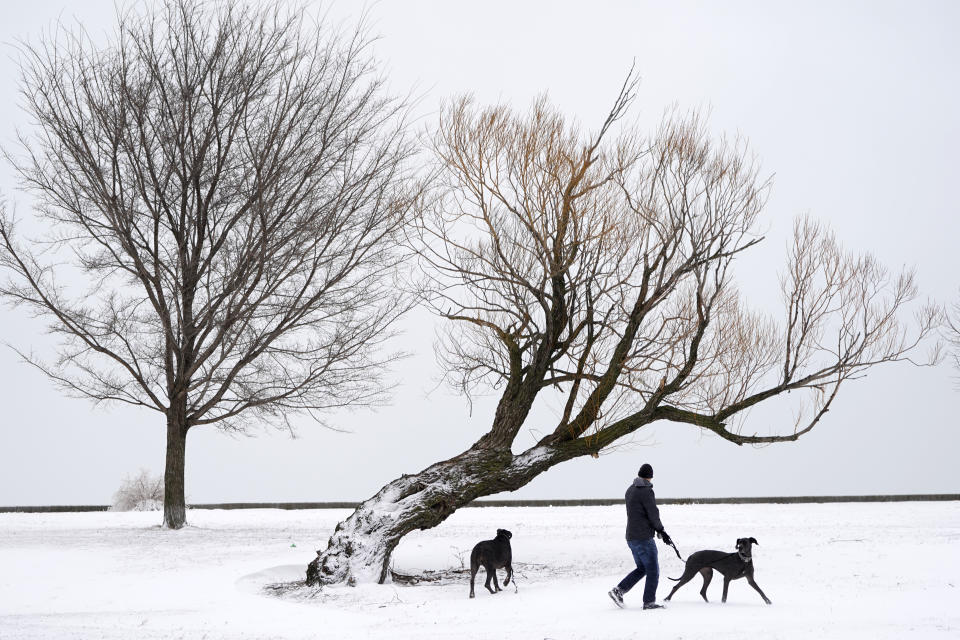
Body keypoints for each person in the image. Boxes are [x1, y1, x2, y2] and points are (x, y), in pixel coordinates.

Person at [608, 463, 672, 610]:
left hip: (631, 536)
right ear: (649, 477)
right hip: (643, 537)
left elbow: (639, 514)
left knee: (642, 568)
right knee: (653, 570)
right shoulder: (646, 491)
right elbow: (652, 513)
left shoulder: (630, 490)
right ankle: (649, 602)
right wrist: (661, 530)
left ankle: (618, 591)